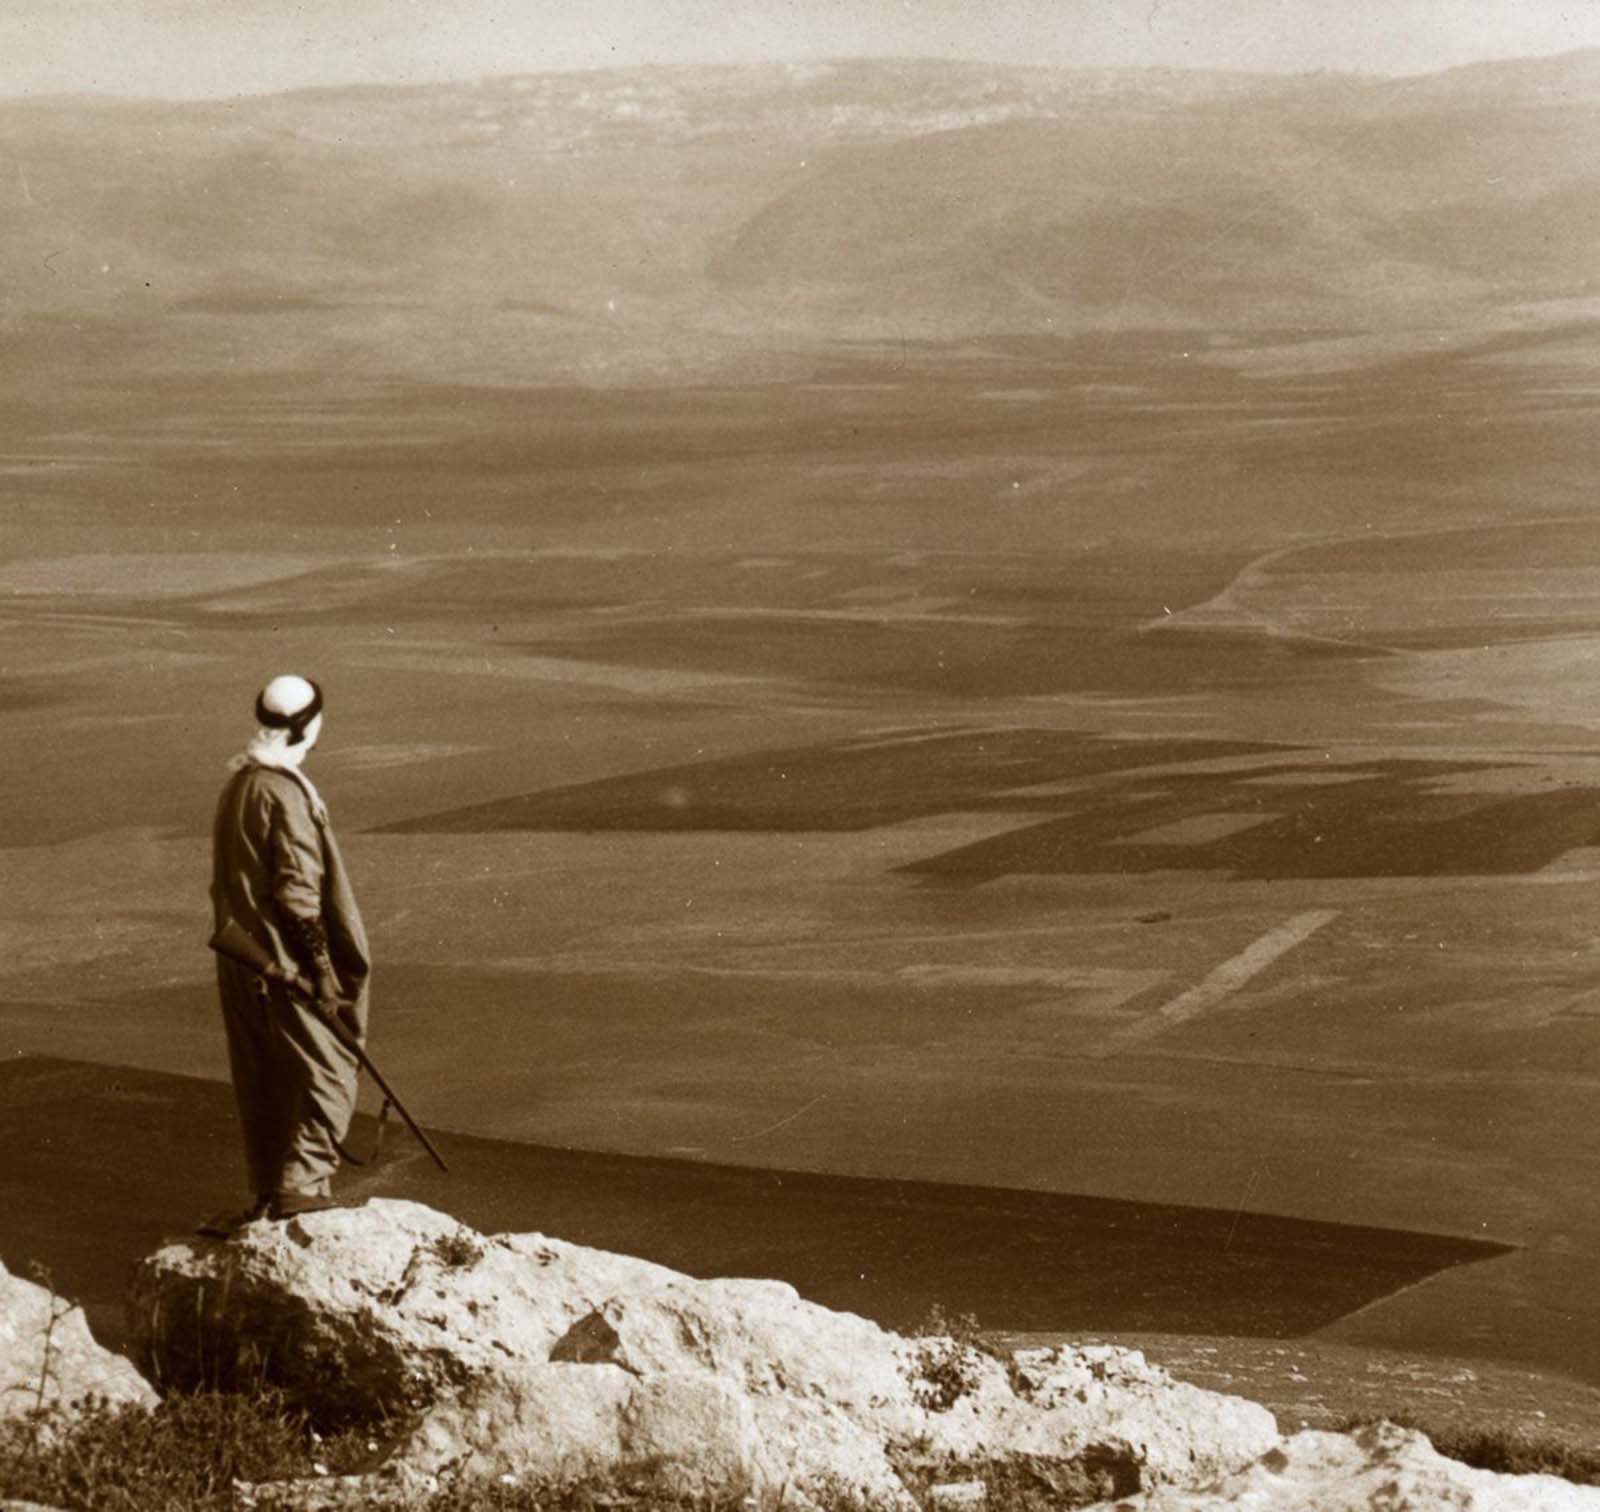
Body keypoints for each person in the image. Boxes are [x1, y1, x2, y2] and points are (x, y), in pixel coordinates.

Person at [203, 674, 371, 1236]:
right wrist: (322, 973)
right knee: (332, 1065)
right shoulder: (284, 793)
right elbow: (299, 897)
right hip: (281, 963)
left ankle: (269, 1192)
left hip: (241, 961)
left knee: (264, 1077)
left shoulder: (241, 784)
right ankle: (302, 1185)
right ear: (308, 725)